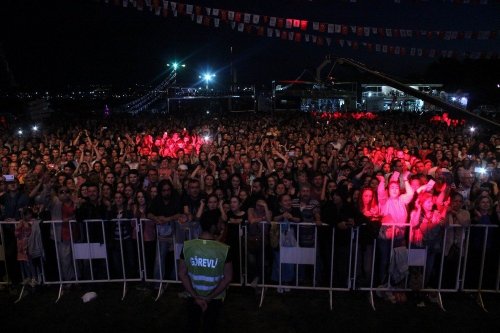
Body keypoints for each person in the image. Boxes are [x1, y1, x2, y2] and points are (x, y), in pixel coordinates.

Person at [178, 212, 233, 333]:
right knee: (210, 325)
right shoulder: (224, 249)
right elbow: (228, 277)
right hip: (215, 297)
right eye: (219, 222)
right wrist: (209, 297)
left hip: (193, 294)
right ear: (214, 226)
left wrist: (196, 296)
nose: (221, 226)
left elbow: (182, 273)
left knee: (192, 324)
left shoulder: (187, 246)